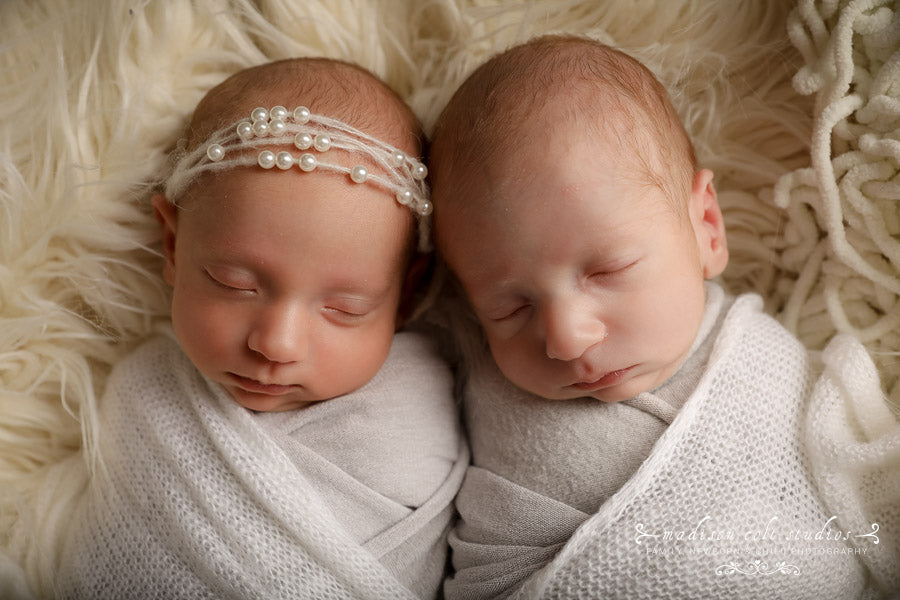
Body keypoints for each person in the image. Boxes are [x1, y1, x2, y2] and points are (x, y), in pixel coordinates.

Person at [429, 35, 898, 599]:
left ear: (707, 227)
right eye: (509, 308)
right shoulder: (460, 377)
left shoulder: (776, 372)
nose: (564, 337)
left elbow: (874, 485)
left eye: (607, 269)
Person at [56, 57, 467, 600]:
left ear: (408, 292)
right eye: (233, 283)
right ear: (174, 245)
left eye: (344, 308)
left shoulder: (430, 392)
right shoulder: (146, 395)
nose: (276, 343)